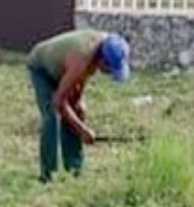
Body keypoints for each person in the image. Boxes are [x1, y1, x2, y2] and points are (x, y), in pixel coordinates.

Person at [25, 28, 131, 183]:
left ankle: (74, 169)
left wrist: (78, 106)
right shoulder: (81, 59)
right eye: (110, 70)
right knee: (52, 116)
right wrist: (82, 129)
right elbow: (59, 101)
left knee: (77, 110)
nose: (109, 74)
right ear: (102, 61)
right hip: (42, 68)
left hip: (64, 69)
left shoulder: (105, 44)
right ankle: (48, 176)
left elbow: (81, 80)